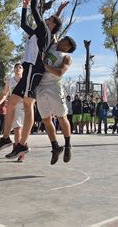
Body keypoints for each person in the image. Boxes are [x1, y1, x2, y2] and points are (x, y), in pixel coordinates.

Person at [0, 0, 67, 158]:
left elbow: (36, 8)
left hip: (35, 69)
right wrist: (24, 7)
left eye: (48, 19)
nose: (45, 19)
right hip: (28, 70)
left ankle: (23, 144)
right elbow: (23, 24)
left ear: (51, 26)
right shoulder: (39, 33)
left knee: (28, 104)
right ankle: (5, 139)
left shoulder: (46, 32)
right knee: (10, 104)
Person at [35, 35, 76, 164]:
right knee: (46, 119)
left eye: (65, 40)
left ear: (68, 46)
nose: (61, 40)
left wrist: (43, 65)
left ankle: (68, 144)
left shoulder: (67, 57)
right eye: (62, 38)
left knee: (61, 117)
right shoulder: (52, 45)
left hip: (54, 86)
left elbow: (59, 72)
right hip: (41, 86)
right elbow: (53, 30)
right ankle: (55, 147)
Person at [0, 63, 25, 161]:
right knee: (17, 129)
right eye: (16, 67)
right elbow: (5, 93)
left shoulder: (26, 80)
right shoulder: (10, 81)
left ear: (23, 70)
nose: (18, 69)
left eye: (20, 67)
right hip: (13, 106)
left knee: (20, 130)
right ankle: (18, 150)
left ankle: (19, 150)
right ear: (13, 70)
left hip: (24, 107)